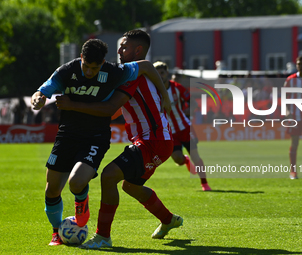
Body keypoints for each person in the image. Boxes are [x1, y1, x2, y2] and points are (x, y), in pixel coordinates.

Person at [31, 38, 172, 246]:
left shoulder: (115, 71)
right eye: (86, 67)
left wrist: (165, 96)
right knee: (51, 190)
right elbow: (44, 89)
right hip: (67, 135)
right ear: (81, 58)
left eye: (94, 68)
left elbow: (146, 66)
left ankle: (84, 206)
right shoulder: (66, 71)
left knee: (78, 182)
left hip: (96, 137)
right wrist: (39, 98)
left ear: (103, 63)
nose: (89, 72)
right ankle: (56, 232)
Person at [153, 61, 212, 191]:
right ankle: (185, 161)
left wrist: (189, 110)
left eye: (162, 73)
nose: (160, 75)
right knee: (177, 159)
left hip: (185, 128)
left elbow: (193, 103)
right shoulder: (153, 92)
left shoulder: (177, 88)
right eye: (157, 73)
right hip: (170, 132)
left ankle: (204, 183)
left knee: (196, 156)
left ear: (166, 73)